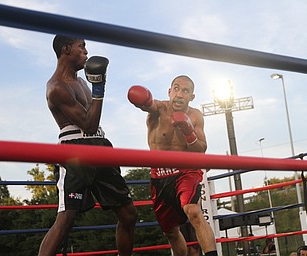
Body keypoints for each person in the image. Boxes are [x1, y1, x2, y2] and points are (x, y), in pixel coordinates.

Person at [38, 35, 137, 256]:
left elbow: (94, 125)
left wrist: (95, 87)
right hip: (74, 150)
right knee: (66, 218)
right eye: (81, 47)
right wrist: (100, 87)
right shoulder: (56, 87)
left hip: (100, 147)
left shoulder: (82, 82)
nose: (86, 51)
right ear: (66, 49)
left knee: (129, 214)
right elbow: (89, 124)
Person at [127, 75, 218, 256]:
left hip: (186, 171)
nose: (179, 94)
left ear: (192, 97)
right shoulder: (158, 110)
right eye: (176, 88)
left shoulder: (195, 115)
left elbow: (201, 149)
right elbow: (147, 103)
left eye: (185, 91)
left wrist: (189, 133)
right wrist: (142, 100)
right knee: (170, 232)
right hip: (159, 176)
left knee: (193, 211)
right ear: (169, 92)